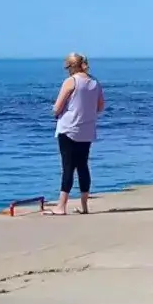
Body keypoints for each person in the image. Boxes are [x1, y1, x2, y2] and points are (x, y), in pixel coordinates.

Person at [52, 53, 105, 214]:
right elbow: (100, 107)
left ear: (71, 67)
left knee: (67, 166)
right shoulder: (95, 82)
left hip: (69, 128)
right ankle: (84, 206)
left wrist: (57, 112)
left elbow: (57, 107)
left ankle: (61, 206)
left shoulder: (71, 81)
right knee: (83, 166)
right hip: (87, 130)